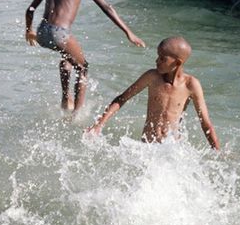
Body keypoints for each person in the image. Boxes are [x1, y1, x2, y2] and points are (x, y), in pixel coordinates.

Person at [24, 0, 145, 111]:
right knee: (83, 67)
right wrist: (128, 32)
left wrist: (29, 30)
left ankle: (67, 101)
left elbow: (30, 10)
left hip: (42, 31)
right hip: (60, 33)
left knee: (68, 58)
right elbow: (106, 7)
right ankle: (77, 114)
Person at [86, 36, 220, 149]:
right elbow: (122, 98)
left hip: (171, 148)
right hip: (147, 146)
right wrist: (99, 124)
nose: (157, 61)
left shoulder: (191, 85)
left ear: (177, 62)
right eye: (158, 56)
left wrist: (217, 151)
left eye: (162, 59)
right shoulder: (152, 77)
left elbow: (206, 123)